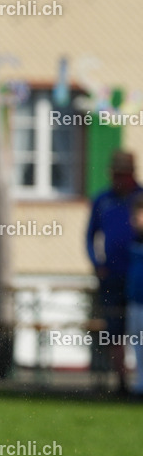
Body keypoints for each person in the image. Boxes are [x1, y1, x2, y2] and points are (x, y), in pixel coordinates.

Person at [86, 151, 142, 394]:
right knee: (114, 331)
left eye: (123, 174)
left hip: (138, 276)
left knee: (139, 330)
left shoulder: (140, 197)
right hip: (112, 277)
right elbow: (90, 235)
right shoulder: (103, 200)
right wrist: (96, 263)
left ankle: (139, 379)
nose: (118, 179)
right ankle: (122, 382)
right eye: (115, 174)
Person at [125, 193, 143, 399]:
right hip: (136, 300)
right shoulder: (134, 239)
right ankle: (140, 384)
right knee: (137, 343)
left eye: (138, 214)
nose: (134, 219)